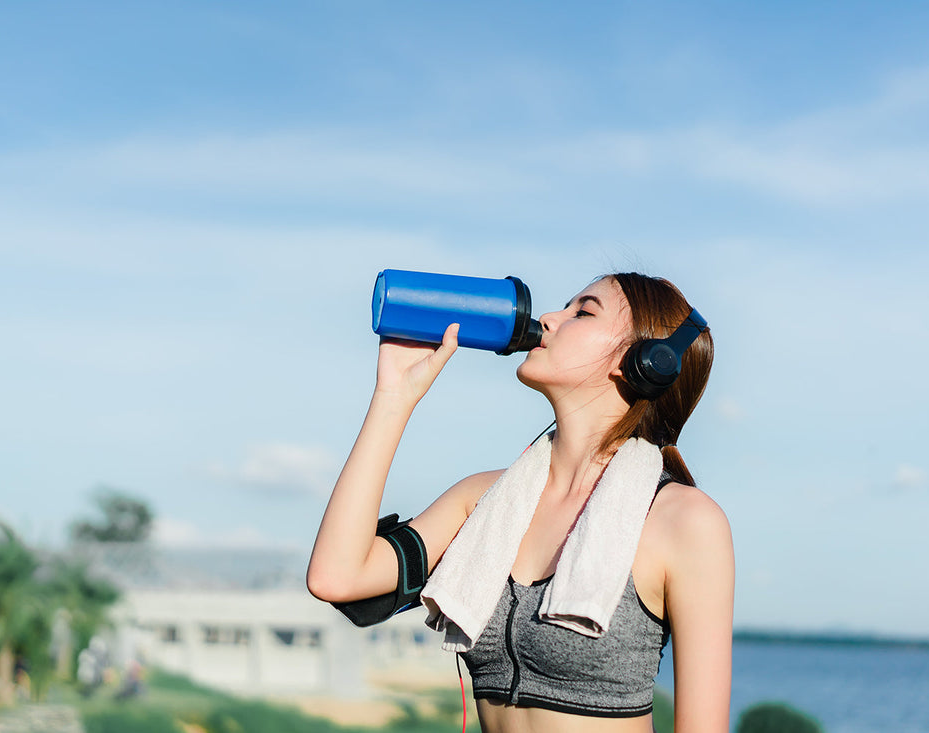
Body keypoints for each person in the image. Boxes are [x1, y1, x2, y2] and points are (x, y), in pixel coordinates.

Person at [308, 272, 734, 733]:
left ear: (648, 361)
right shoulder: (482, 501)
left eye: (582, 312)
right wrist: (393, 397)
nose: (549, 318)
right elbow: (338, 577)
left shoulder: (684, 522)